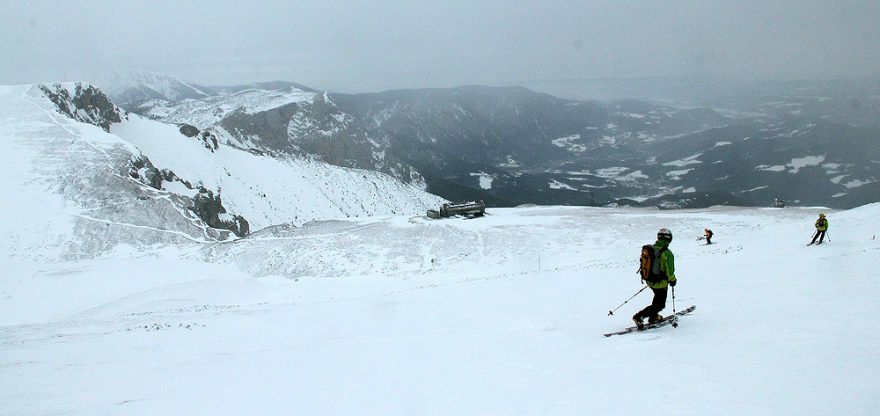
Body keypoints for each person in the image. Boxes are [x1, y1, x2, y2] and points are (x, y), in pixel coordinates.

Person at [633, 228, 678, 329]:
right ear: (669, 239)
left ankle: (653, 317)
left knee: (657, 299)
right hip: (660, 282)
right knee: (660, 304)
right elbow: (670, 271)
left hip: (650, 280)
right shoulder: (667, 253)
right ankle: (639, 316)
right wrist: (673, 280)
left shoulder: (652, 249)